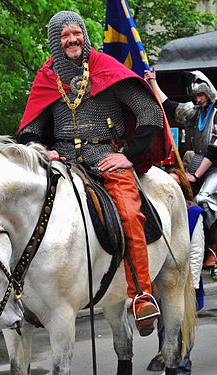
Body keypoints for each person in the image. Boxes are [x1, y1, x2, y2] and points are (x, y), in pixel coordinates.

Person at [17, 11, 172, 336]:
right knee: (24, 210)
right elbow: (30, 127)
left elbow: (149, 114)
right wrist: (40, 148)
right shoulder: (47, 77)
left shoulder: (105, 69)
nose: (71, 40)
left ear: (84, 36)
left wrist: (128, 157)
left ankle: (141, 295)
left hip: (106, 157)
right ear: (55, 42)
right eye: (64, 36)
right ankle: (27, 294)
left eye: (76, 34)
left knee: (130, 213)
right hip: (62, 161)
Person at [144, 69, 217, 271]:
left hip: (214, 165)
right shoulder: (198, 112)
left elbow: (213, 149)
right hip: (201, 162)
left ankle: (213, 249)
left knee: (204, 200)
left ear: (209, 92)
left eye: (201, 95)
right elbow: (171, 106)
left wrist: (195, 175)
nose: (198, 99)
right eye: (195, 96)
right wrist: (153, 82)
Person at [147, 168, 206, 375]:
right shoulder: (159, 214)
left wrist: (193, 282)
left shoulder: (193, 213)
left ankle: (184, 361)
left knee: (183, 321)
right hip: (166, 277)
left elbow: (197, 249)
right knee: (164, 322)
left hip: (186, 276)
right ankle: (164, 355)